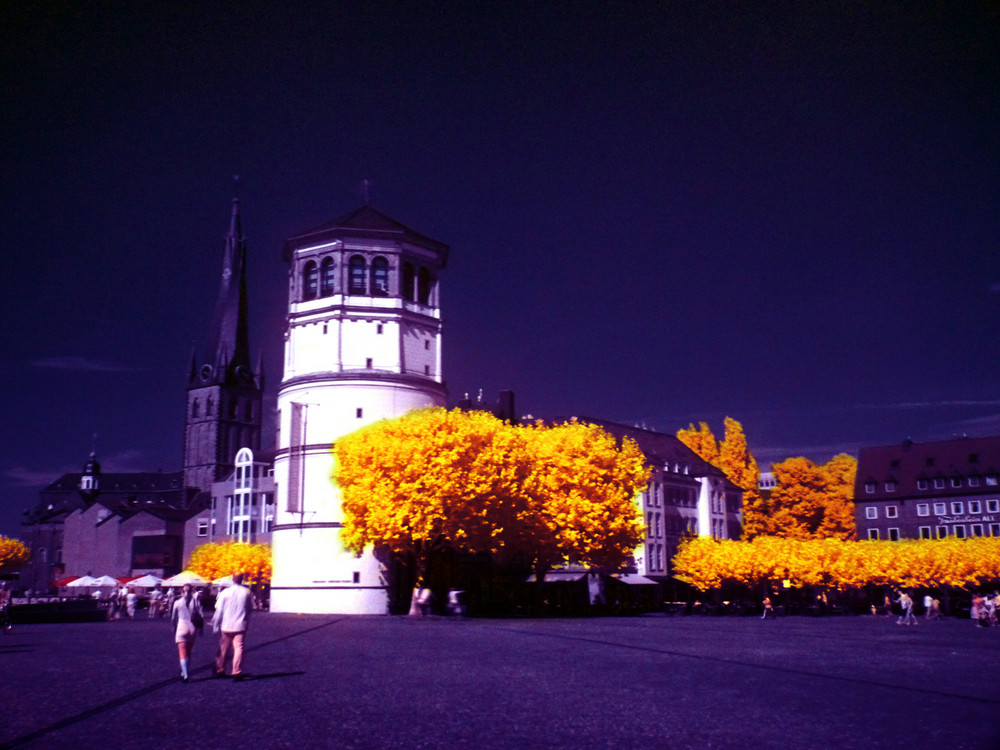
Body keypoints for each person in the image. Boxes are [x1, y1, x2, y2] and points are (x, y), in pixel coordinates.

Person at [212, 571, 253, 680]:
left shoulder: (225, 592)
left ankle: (220, 669)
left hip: (226, 624)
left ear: (232, 579)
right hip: (240, 624)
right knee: (238, 648)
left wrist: (216, 624)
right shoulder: (247, 592)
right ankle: (236, 671)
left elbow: (219, 610)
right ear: (242, 579)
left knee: (224, 648)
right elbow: (249, 609)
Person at [171, 583, 203, 683]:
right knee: (188, 652)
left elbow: (173, 618)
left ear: (181, 591)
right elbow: (201, 615)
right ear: (192, 591)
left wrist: (174, 627)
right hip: (192, 627)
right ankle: (185, 671)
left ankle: (185, 674)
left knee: (182, 652)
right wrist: (202, 628)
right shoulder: (195, 601)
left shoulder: (177, 602)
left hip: (182, 626)